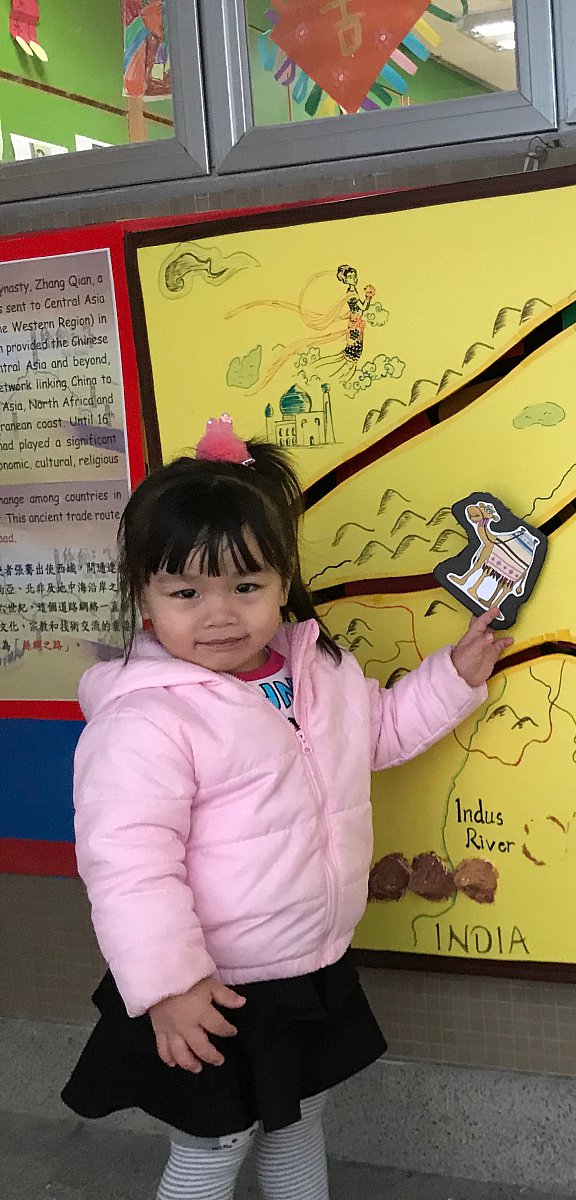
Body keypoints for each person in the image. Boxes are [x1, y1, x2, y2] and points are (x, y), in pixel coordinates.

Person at [60, 415, 511, 1199]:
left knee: (300, 1121)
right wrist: (169, 986)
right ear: (144, 598)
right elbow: (127, 866)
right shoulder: (146, 719)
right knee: (214, 1149)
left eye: (247, 586)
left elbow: (378, 734)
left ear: (282, 581)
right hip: (212, 984)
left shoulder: (318, 672)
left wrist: (455, 675)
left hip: (309, 967)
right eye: (186, 592)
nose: (220, 614)